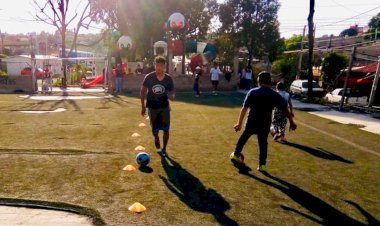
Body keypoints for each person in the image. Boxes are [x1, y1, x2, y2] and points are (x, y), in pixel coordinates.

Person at [230, 71, 297, 172]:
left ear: (258, 81)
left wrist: (239, 123)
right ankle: (262, 165)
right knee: (263, 144)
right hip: (264, 124)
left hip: (251, 122)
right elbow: (285, 108)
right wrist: (291, 122)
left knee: (244, 138)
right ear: (270, 82)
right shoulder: (274, 94)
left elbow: (244, 108)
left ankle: (236, 154)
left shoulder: (253, 92)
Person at [140, 56, 175, 157]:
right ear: (154, 66)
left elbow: (172, 93)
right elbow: (142, 91)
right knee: (154, 130)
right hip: (152, 107)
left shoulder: (168, 79)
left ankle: (164, 149)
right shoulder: (149, 77)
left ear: (165, 66)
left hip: (164, 107)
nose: (159, 68)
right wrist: (143, 107)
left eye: (161, 66)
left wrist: (171, 96)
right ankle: (156, 137)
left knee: (166, 129)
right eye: (157, 65)